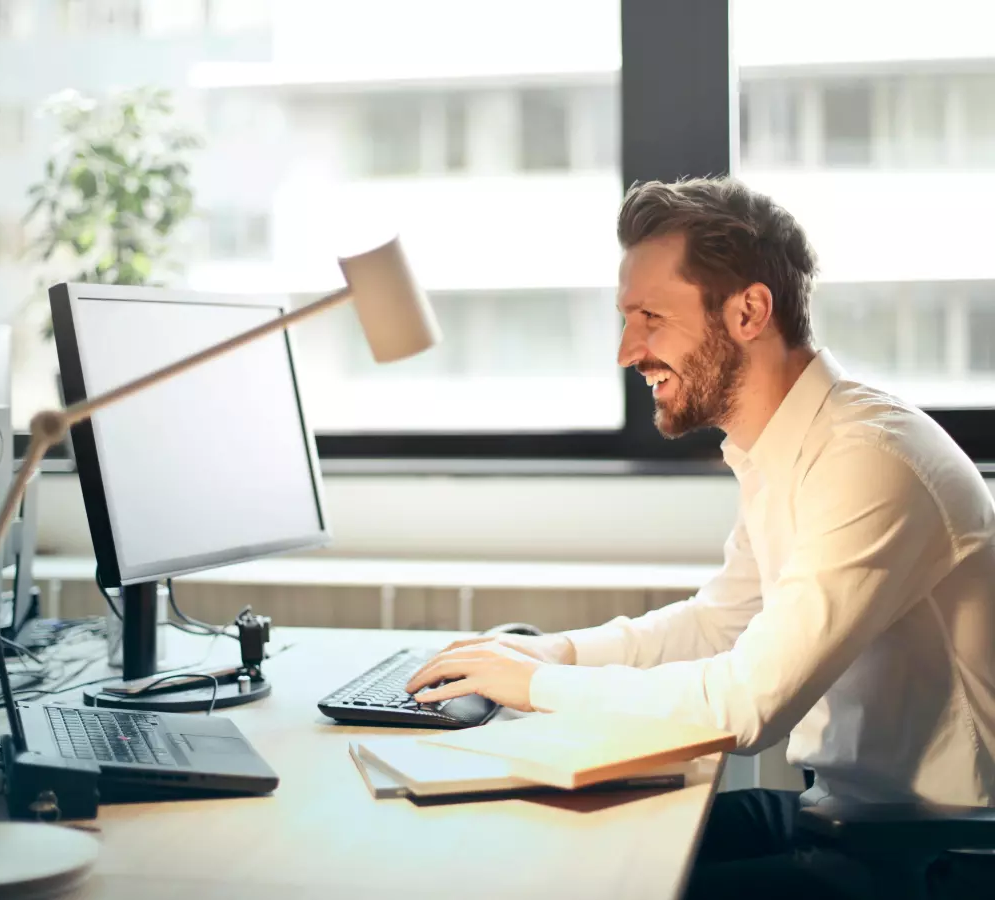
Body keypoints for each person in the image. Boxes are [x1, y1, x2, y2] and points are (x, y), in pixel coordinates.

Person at [404, 178, 995, 899]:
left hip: (936, 854)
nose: (627, 351)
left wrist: (535, 686)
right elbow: (720, 625)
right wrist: (553, 652)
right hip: (844, 817)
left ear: (749, 310)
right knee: (549, 846)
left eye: (650, 316)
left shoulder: (869, 459)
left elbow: (748, 705)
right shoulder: (784, 448)